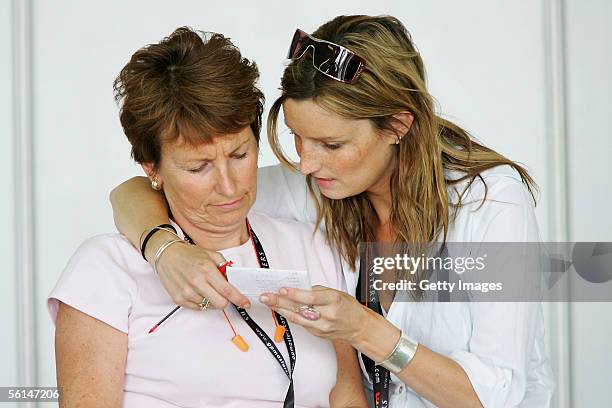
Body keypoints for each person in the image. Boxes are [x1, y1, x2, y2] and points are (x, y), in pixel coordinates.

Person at [109, 16, 554, 408]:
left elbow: (494, 396)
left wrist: (362, 330)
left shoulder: (492, 205)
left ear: (398, 126)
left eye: (332, 145)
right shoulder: (323, 187)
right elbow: (137, 193)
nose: (305, 163)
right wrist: (164, 250)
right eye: (299, 137)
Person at [48, 27, 367, 408]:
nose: (229, 187)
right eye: (198, 167)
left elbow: (347, 397)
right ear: (153, 167)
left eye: (239, 156)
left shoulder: (311, 245)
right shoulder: (105, 270)